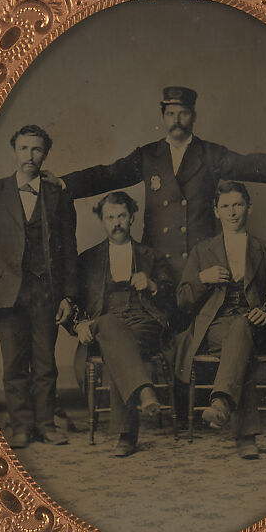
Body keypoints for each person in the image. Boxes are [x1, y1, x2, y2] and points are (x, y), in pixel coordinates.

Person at [54, 86, 266, 268]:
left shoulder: (210, 154)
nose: (176, 120)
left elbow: (247, 164)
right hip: (157, 261)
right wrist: (66, 183)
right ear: (163, 117)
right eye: (171, 113)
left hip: (201, 260)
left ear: (193, 116)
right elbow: (109, 175)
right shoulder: (148, 155)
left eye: (183, 114)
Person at [0, 124, 78, 449]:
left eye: (37, 150)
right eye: (24, 149)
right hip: (6, 292)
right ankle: (20, 426)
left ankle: (46, 425)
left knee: (46, 363)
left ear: (45, 154)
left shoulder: (58, 195)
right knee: (14, 362)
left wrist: (69, 296)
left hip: (46, 291)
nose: (30, 156)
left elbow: (69, 249)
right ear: (15, 151)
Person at [174, 182, 266, 459]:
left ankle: (221, 402)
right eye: (225, 206)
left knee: (242, 330)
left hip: (254, 325)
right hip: (215, 327)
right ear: (216, 212)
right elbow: (182, 299)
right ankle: (245, 436)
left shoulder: (263, 249)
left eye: (238, 205)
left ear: (249, 208)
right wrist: (201, 279)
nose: (232, 212)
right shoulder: (202, 251)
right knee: (237, 340)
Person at [68, 191, 174, 457]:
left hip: (143, 320)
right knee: (110, 330)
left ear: (132, 218)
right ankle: (144, 392)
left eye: (122, 216)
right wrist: (79, 324)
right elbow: (73, 301)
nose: (116, 222)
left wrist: (151, 285)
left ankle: (126, 436)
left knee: (118, 348)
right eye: (110, 217)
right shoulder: (88, 259)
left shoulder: (151, 255)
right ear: (102, 221)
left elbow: (172, 295)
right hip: (105, 322)